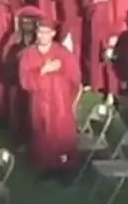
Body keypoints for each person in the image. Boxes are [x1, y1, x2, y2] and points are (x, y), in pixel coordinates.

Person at [17, 18, 82, 181]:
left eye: (46, 32)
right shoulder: (29, 55)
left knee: (62, 135)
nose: (42, 36)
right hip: (39, 102)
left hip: (60, 103)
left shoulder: (63, 54)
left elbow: (75, 78)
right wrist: (43, 70)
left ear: (53, 34)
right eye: (40, 32)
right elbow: (25, 80)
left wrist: (71, 100)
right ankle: (47, 166)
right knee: (43, 134)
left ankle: (66, 169)